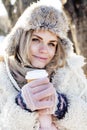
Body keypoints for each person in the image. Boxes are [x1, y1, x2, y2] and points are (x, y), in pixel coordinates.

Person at [0, 1, 87, 130]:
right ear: (22, 39)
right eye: (36, 39)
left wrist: (62, 106)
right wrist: (21, 106)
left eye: (51, 43)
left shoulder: (70, 73)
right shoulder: (3, 77)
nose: (44, 50)